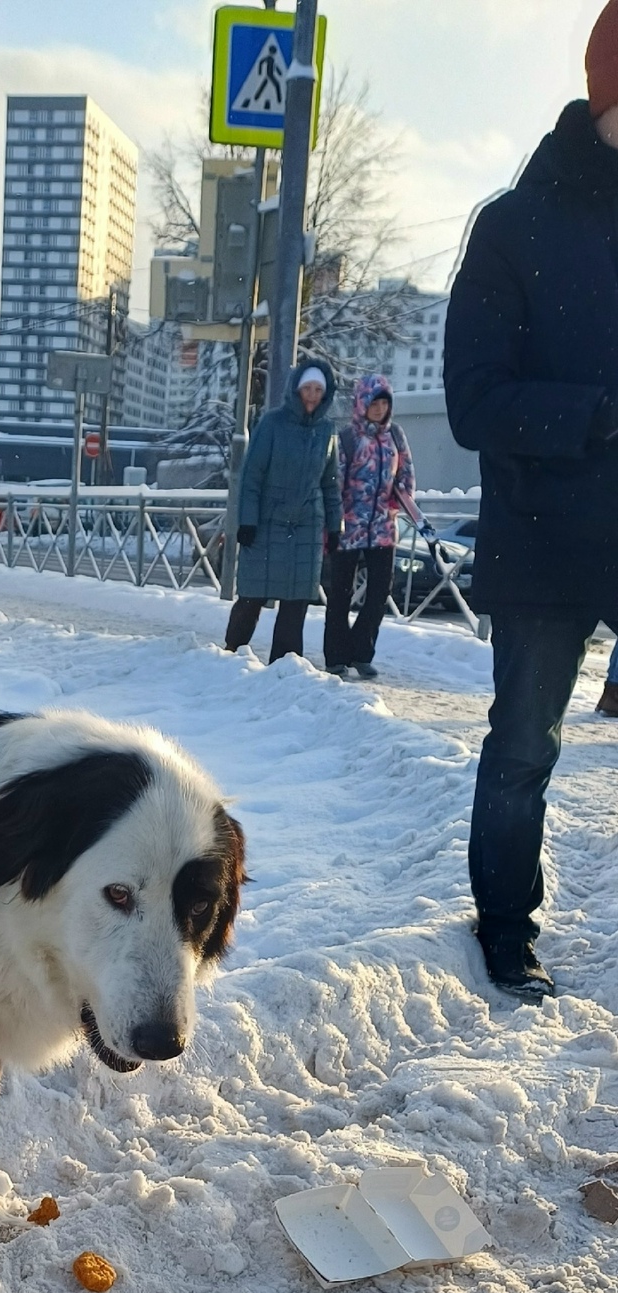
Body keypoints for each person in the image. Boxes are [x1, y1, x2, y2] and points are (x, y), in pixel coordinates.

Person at [444, 0, 618, 1001]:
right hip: (548, 536)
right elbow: (471, 402)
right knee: (524, 750)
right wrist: (593, 415)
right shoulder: (515, 226)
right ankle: (508, 932)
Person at [224, 357, 342, 662]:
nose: (313, 395)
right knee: (252, 596)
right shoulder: (272, 423)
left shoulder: (327, 431)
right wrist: (246, 521)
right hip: (267, 522)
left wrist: (334, 525)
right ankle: (229, 656)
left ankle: (285, 667)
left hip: (306, 527)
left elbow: (330, 483)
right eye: (308, 388)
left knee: (296, 601)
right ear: (296, 390)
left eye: (319, 389)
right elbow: (252, 476)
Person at [323, 375, 415, 680]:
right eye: (373, 402)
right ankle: (336, 656)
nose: (379, 408)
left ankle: (362, 652)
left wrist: (395, 505)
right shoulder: (347, 438)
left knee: (378, 593)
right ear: (362, 404)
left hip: (383, 529)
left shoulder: (396, 437)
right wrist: (333, 523)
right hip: (349, 527)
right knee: (340, 594)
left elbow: (406, 475)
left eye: (384, 402)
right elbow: (334, 482)